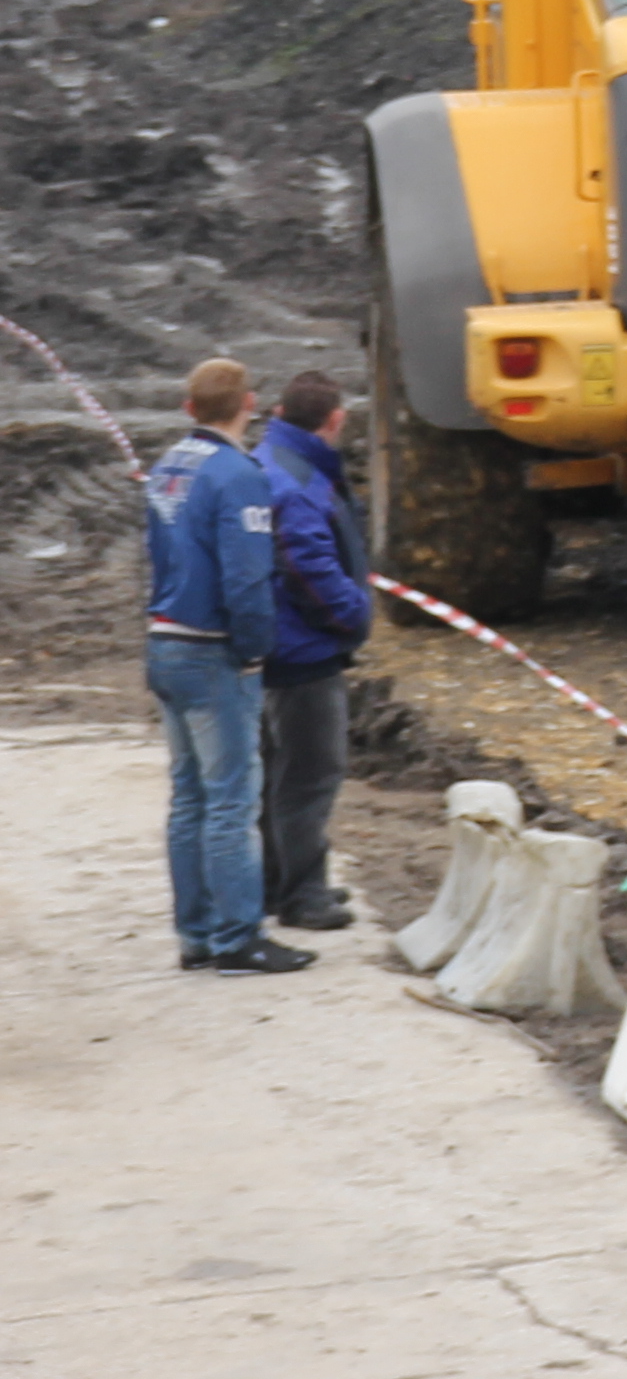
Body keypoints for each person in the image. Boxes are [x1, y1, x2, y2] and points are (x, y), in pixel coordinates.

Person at [141, 359, 306, 974]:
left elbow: (155, 555)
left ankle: (197, 933)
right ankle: (237, 938)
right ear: (249, 403)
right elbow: (247, 575)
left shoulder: (168, 468)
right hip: (212, 650)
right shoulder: (239, 475)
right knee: (231, 800)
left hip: (166, 640)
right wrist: (257, 647)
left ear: (189, 408)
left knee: (188, 798)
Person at [253, 370, 373, 933]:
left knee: (281, 771)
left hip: (279, 646)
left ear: (279, 412)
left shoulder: (273, 459)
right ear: (335, 420)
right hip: (304, 654)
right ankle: (303, 895)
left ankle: (278, 885)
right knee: (311, 774)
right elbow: (307, 564)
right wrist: (351, 615)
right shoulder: (299, 481)